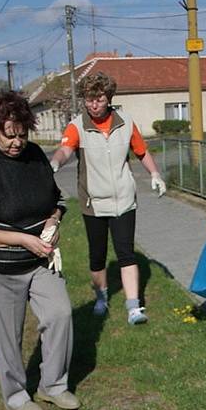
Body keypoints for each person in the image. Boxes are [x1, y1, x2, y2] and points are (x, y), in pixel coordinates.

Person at [0, 91, 79, 410]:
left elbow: (58, 200)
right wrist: (23, 240)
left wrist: (54, 221)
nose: (16, 143)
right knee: (7, 336)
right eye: (9, 136)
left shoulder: (36, 156)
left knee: (60, 314)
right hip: (0, 268)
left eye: (22, 135)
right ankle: (15, 395)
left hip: (41, 260)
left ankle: (52, 386)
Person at [50, 72, 167, 323]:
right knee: (97, 254)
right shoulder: (77, 125)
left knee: (126, 252)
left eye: (99, 99)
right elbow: (65, 150)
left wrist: (155, 174)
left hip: (124, 199)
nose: (94, 104)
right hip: (94, 202)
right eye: (89, 99)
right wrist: (55, 163)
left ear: (109, 98)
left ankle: (134, 307)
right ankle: (101, 297)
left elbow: (141, 152)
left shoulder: (125, 122)